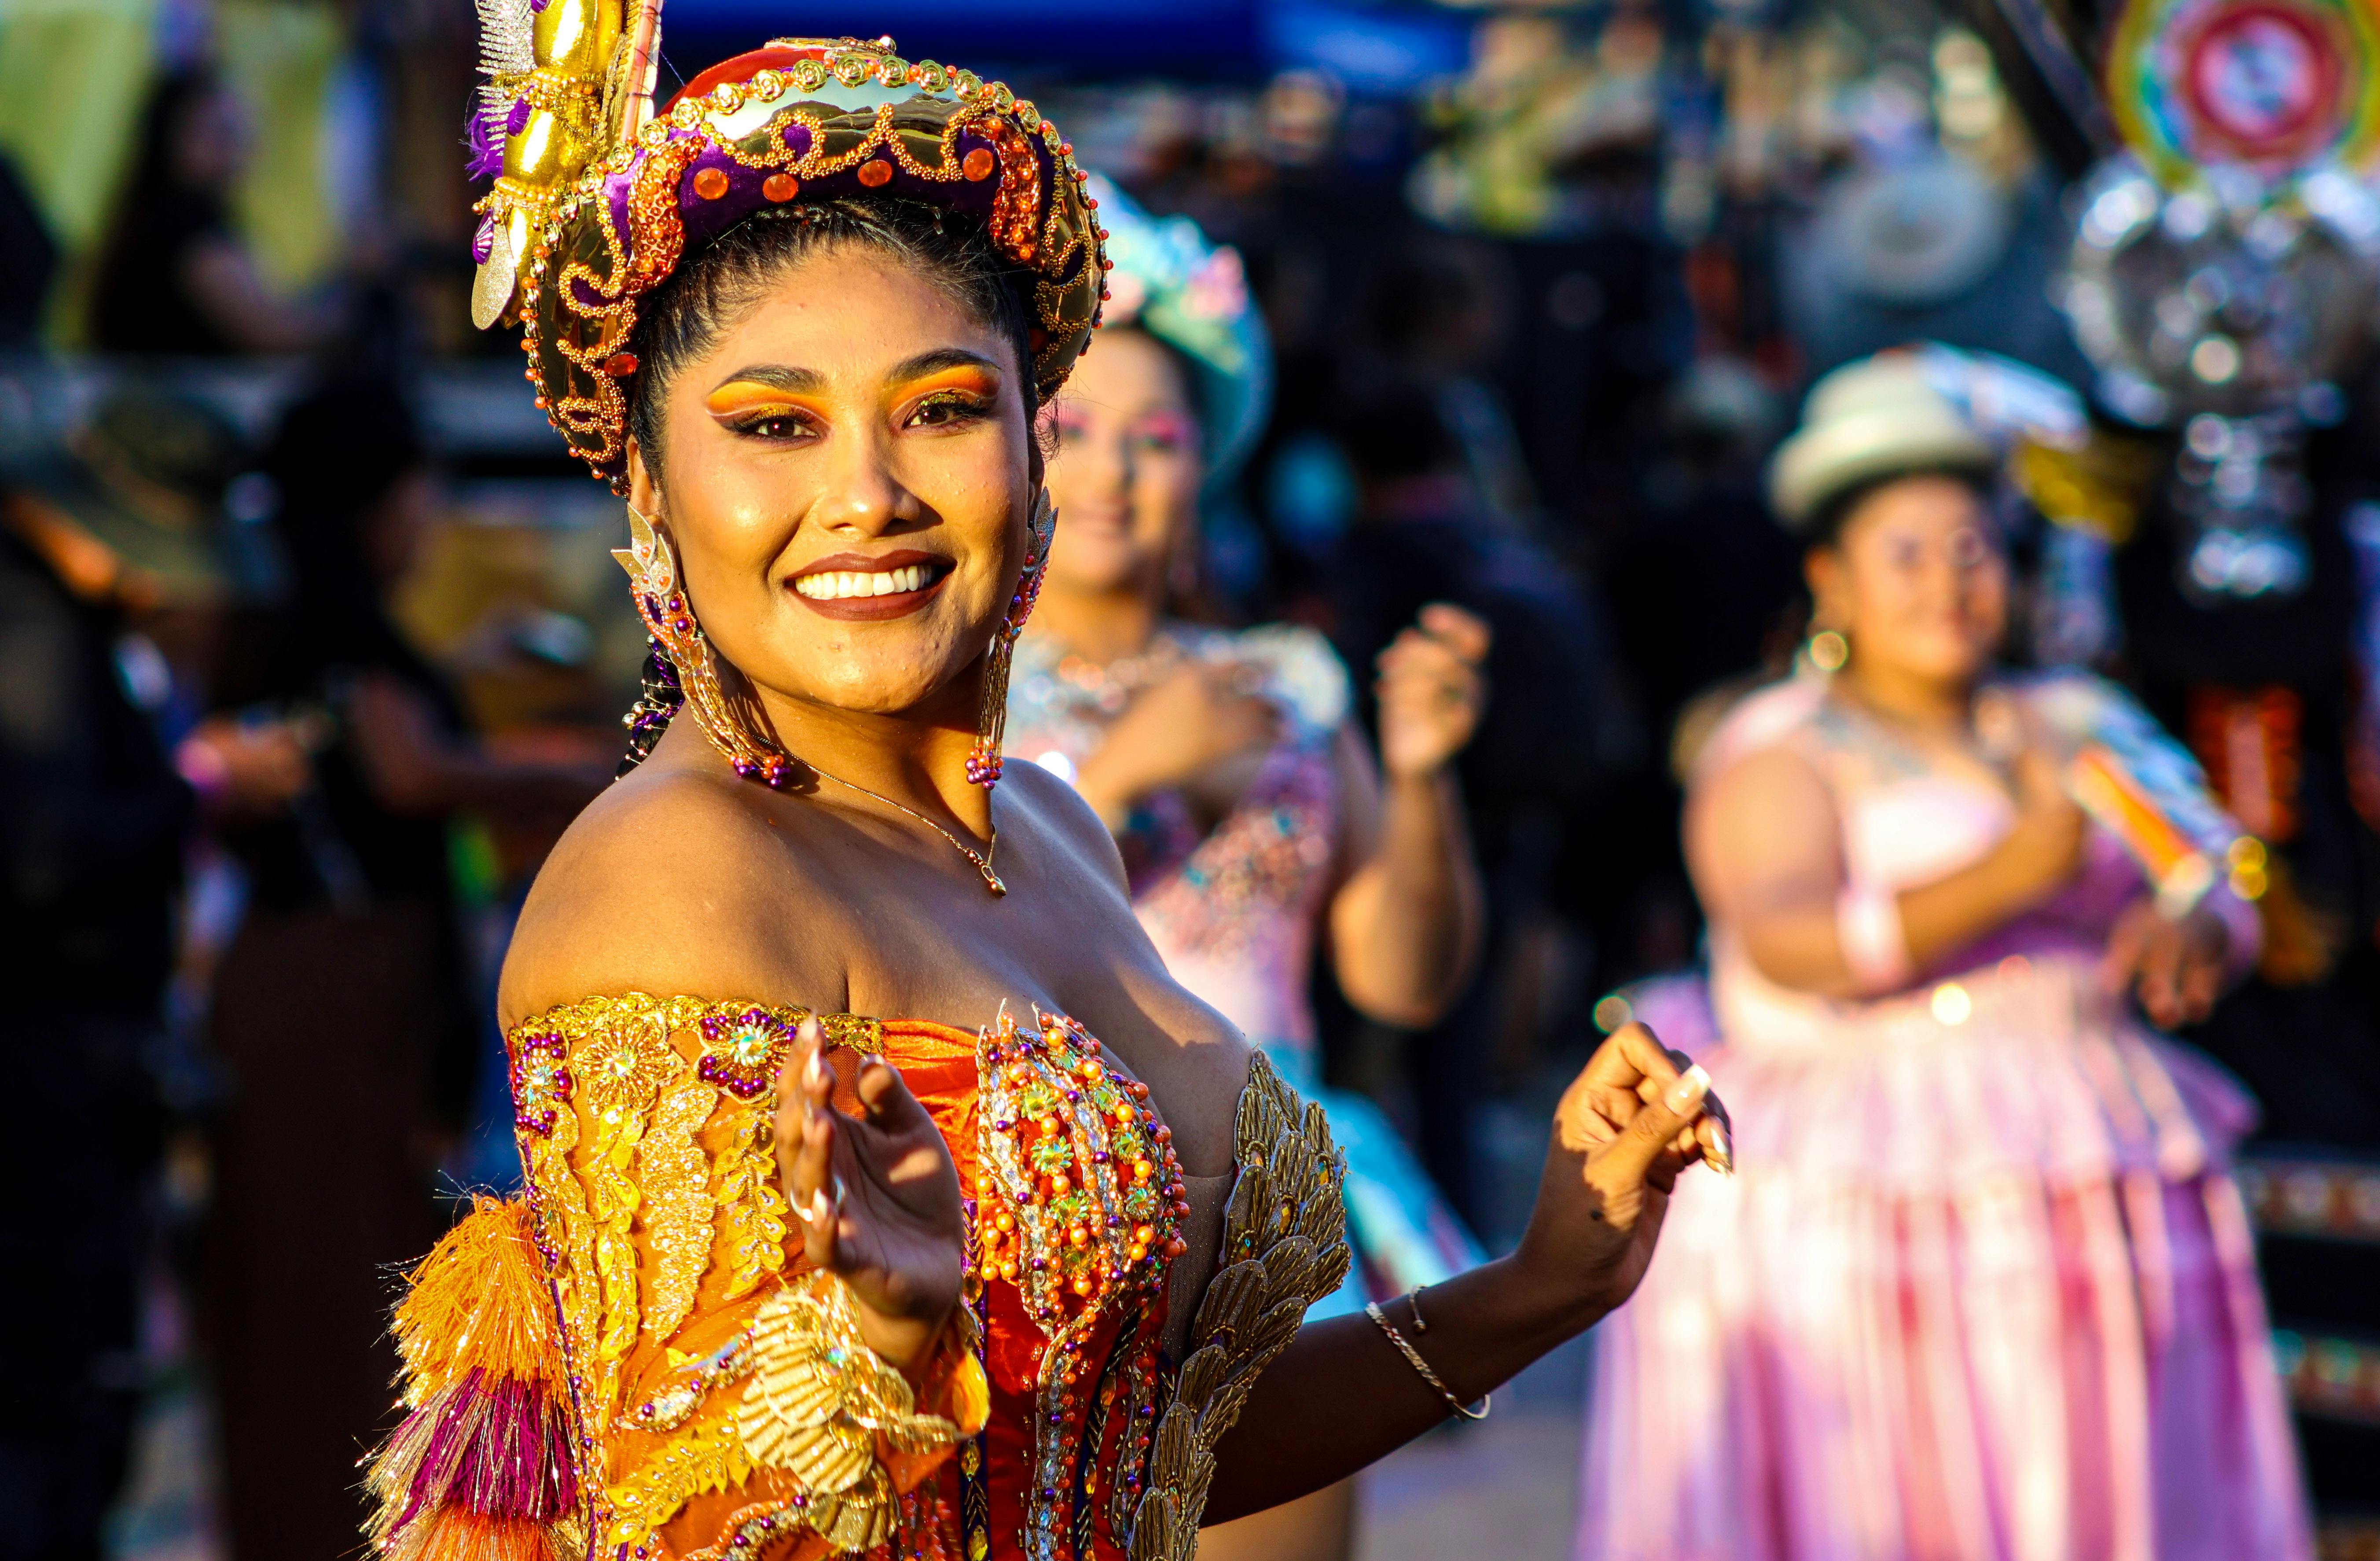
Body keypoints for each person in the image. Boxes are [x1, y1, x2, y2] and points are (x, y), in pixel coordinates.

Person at [363, 29, 1727, 1561]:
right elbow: (679, 1528)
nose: (866, 493)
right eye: (772, 425)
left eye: (941, 408)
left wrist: (1544, 1282)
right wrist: (882, 1361)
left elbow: (1151, 1447)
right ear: (648, 489)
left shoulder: (1048, 828)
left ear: (1032, 456)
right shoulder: (679, 879)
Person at [1579, 353, 2311, 1561]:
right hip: (1873, 1189)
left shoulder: (2078, 723)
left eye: (1971, 551)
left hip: (2091, 1163)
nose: (1947, 584)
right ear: (1832, 577)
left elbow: (2213, 867)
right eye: (1907, 554)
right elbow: (1791, 941)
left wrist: (2198, 921)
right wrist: (2011, 872)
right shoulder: (1780, 745)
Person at [1009, 179, 1488, 1561]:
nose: (1113, 472)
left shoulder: (1286, 689)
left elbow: (1398, 981)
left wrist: (1418, 775)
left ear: (1205, 463)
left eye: (1156, 439)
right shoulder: (949, 690)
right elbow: (939, 922)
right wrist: (1121, 777)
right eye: (1073, 431)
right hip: (1032, 1198)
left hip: (1263, 1206)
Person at [203, 374, 600, 1559]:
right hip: (334, 995)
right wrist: (578, 776)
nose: (430, 518)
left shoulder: (304, 613)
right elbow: (406, 772)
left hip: (333, 986)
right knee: (332, 1289)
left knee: (327, 1282)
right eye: (420, 490)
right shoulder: (326, 622)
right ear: (373, 501)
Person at [0, 385, 303, 1559]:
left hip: (62, 1079)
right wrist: (196, 791)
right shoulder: (31, 632)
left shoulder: (59, 623)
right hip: (39, 1086)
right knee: (50, 1406)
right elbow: (45, 852)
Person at [89, 68, 338, 355]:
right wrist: (351, 304)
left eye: (239, 134)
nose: (235, 149)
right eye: (219, 133)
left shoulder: (179, 219)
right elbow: (269, 332)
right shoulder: (184, 230)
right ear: (170, 138)